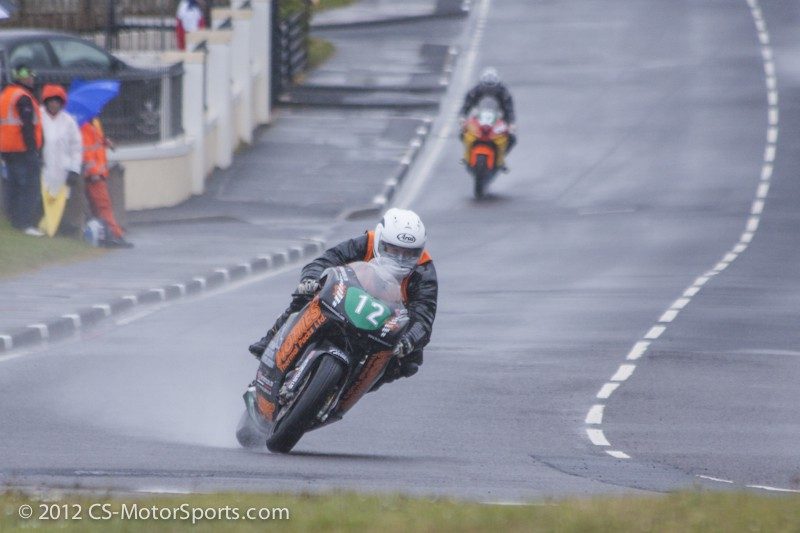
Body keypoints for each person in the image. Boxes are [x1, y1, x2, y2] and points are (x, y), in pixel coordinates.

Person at [249, 208, 438, 389]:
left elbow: (424, 316)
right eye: (393, 250)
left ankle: (350, 389)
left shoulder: (424, 271)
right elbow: (327, 259)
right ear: (381, 241)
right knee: (306, 294)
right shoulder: (366, 243)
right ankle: (270, 340)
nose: (400, 259)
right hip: (347, 297)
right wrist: (311, 279)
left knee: (409, 362)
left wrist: (408, 340)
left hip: (385, 321)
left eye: (409, 253)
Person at [0, 65, 44, 236]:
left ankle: (15, 220)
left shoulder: (5, 94)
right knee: (29, 186)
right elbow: (27, 127)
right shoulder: (23, 97)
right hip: (22, 150)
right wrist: (33, 150)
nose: (31, 79)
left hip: (7, 149)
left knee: (15, 186)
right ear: (21, 77)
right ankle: (25, 223)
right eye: (28, 76)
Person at [80, 117, 132, 248]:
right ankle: (115, 235)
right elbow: (85, 153)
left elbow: (95, 144)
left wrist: (105, 142)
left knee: (97, 208)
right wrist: (93, 173)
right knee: (104, 207)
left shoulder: (95, 123)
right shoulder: (83, 127)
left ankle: (103, 236)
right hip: (94, 176)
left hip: (98, 173)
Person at [39, 84, 82, 237]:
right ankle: (44, 227)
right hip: (43, 168)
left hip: (62, 170)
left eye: (57, 101)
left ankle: (59, 228)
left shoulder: (68, 121)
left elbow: (76, 147)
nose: (54, 104)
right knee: (43, 199)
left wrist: (74, 169)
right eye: (51, 101)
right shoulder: (38, 116)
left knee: (61, 201)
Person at [459, 67, 517, 169]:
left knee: (512, 138)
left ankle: (501, 158)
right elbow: (466, 105)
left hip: (499, 118)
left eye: (492, 88)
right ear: (481, 85)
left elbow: (509, 109)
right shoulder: (474, 91)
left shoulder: (504, 93)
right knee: (463, 133)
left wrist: (511, 123)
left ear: (497, 85)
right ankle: (467, 155)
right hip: (479, 116)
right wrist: (462, 117)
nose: (489, 90)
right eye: (486, 88)